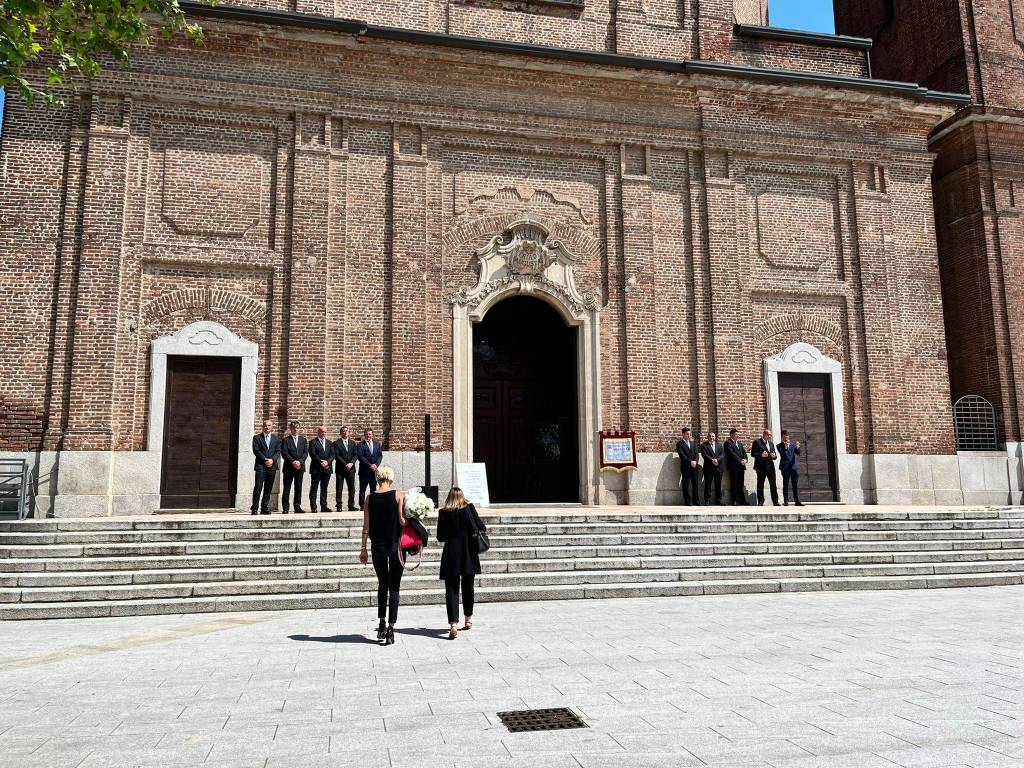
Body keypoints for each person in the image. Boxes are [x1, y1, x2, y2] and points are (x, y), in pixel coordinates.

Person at [359, 465, 405, 645]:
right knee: (394, 587)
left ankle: (381, 622)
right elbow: (401, 520)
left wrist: (363, 549)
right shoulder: (398, 495)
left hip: (377, 547)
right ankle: (391, 628)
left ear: (378, 478)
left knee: (382, 584)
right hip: (395, 545)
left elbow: (366, 527)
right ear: (390, 478)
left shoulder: (370, 498)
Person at [436, 487, 486, 640]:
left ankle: (453, 624)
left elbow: (440, 537)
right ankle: (468, 619)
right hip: (468, 553)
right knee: (468, 586)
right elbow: (481, 527)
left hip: (451, 554)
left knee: (451, 589)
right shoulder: (469, 509)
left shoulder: (443, 513)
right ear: (462, 497)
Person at [250, 419, 281, 516]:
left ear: (272, 427)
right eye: (265, 426)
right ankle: (254, 508)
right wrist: (265, 460)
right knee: (258, 487)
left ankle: (264, 507)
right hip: (261, 466)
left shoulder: (276, 439)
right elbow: (256, 451)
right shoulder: (257, 438)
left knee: (268, 488)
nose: (267, 427)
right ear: (263, 427)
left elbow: (278, 451)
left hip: (272, 466)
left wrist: (272, 460)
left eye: (269, 425)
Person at [281, 421, 308, 514]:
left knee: (298, 487)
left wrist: (299, 462)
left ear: (299, 429)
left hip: (299, 467)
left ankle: (297, 506)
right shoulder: (285, 440)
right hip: (289, 467)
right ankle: (285, 507)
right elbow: (284, 453)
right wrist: (293, 461)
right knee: (287, 488)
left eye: (297, 428)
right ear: (290, 429)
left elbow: (305, 453)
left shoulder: (303, 440)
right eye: (293, 428)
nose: (295, 429)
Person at [308, 425, 333, 513]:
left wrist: (327, 462)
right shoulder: (312, 442)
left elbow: (332, 455)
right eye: (322, 432)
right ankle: (313, 507)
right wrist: (321, 462)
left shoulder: (330, 443)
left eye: (325, 432)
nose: (323, 433)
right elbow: (313, 454)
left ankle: (324, 506)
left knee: (324, 488)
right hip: (316, 469)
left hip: (327, 469)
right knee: (314, 488)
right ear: (318, 432)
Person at [333, 425, 359, 512]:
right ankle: (339, 505)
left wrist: (351, 463)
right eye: (343, 431)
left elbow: (356, 454)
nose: (345, 432)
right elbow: (337, 456)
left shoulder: (353, 443)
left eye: (346, 430)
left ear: (349, 432)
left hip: (351, 469)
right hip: (341, 469)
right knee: (339, 487)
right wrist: (345, 464)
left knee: (351, 488)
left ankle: (351, 505)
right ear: (340, 433)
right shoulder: (336, 443)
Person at [751, 429, 780, 506]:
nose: (770, 436)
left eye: (770, 435)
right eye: (768, 435)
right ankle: (761, 501)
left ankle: (775, 501)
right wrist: (761, 455)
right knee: (760, 484)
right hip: (761, 467)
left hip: (770, 467)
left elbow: (774, 455)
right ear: (764, 434)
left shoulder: (771, 443)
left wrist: (775, 456)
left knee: (773, 484)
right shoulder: (757, 442)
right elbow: (753, 454)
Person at [357, 428, 384, 507]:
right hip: (364, 471)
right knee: (362, 489)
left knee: (373, 488)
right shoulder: (360, 445)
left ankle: (373, 504)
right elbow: (360, 457)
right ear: (364, 435)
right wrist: (370, 465)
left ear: (372, 435)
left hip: (374, 470)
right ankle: (362, 505)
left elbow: (380, 455)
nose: (368, 436)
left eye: (370, 434)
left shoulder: (377, 444)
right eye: (367, 434)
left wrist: (376, 465)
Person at [675, 427, 701, 506]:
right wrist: (690, 462)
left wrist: (695, 461)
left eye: (690, 434)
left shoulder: (693, 443)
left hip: (694, 467)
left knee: (695, 484)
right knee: (686, 484)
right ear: (683, 434)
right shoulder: (679, 444)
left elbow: (697, 454)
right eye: (687, 434)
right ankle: (687, 501)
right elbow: (682, 455)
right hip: (686, 467)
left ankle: (696, 501)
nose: (689, 435)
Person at [777, 430, 803, 507]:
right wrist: (785, 446)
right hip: (785, 468)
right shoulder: (779, 446)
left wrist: (798, 448)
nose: (786, 439)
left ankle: (797, 501)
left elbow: (798, 453)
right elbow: (784, 455)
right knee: (785, 484)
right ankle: (786, 501)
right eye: (785, 437)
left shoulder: (792, 445)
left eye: (787, 437)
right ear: (782, 437)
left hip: (794, 467)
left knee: (795, 484)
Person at [701, 431, 725, 506]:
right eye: (710, 436)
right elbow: (704, 455)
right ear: (708, 437)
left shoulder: (719, 445)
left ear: (715, 437)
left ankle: (719, 500)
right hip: (709, 468)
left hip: (718, 467)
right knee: (708, 484)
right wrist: (712, 460)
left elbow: (723, 454)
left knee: (718, 484)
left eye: (713, 436)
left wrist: (717, 460)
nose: (712, 438)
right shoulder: (704, 445)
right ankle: (707, 500)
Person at [725, 428, 748, 505]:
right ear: (731, 435)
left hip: (741, 466)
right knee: (734, 483)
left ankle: (742, 500)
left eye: (738, 434)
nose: (738, 436)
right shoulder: (727, 443)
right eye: (736, 434)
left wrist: (745, 460)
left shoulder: (739, 443)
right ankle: (734, 500)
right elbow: (731, 454)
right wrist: (740, 460)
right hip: (733, 466)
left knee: (741, 484)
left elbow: (744, 453)